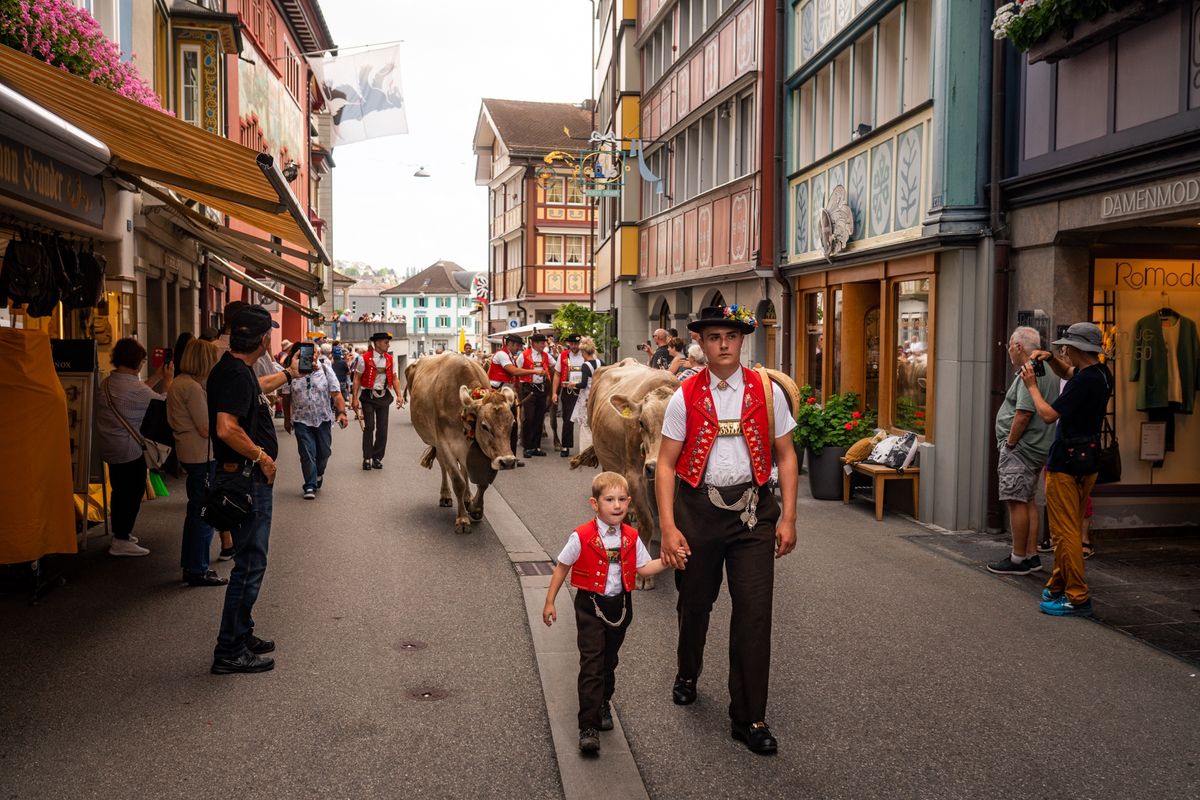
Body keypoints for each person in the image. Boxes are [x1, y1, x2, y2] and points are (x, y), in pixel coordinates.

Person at [655, 305, 798, 755]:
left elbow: (787, 456)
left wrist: (789, 517)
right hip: (698, 511)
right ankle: (687, 671)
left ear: (741, 341)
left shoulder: (767, 390)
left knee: (755, 613)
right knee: (695, 603)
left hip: (754, 514)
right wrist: (669, 526)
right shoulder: (684, 395)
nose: (722, 344)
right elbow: (664, 463)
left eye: (730, 337)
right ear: (700, 343)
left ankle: (749, 717)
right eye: (713, 337)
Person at [542, 472, 667, 754]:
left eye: (622, 499)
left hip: (620, 607)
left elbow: (643, 569)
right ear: (594, 504)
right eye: (609, 499)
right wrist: (550, 601)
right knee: (591, 663)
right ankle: (588, 725)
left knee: (609, 661)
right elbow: (562, 566)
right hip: (590, 606)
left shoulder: (632, 537)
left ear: (630, 503)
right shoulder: (581, 536)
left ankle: (602, 703)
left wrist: (667, 561)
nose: (617, 505)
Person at [208, 305, 298, 675]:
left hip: (245, 476)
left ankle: (241, 633)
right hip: (245, 478)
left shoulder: (238, 371)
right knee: (249, 565)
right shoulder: (233, 372)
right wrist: (262, 456)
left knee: (251, 562)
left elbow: (255, 390)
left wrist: (288, 376)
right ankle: (229, 649)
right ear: (263, 340)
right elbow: (226, 427)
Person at [1020, 322, 1113, 618]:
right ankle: (1059, 584)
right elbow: (1069, 373)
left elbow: (1048, 415)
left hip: (1066, 462)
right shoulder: (1099, 374)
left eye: (1066, 347)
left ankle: (1077, 596)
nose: (1064, 351)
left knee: (1064, 532)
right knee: (1070, 526)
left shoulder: (1084, 381)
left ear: (1077, 348)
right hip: (1088, 458)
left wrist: (1032, 386)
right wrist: (1051, 360)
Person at [987, 326, 1061, 576]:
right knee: (1028, 500)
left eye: (1009, 344)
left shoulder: (1029, 370)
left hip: (1023, 447)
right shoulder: (1047, 368)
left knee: (1016, 501)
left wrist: (1009, 444)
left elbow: (1024, 413)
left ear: (1018, 346)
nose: (1007, 349)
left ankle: (1018, 559)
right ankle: (1031, 556)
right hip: (1037, 446)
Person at [94, 337, 173, 557]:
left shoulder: (109, 382)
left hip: (111, 447)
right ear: (138, 362)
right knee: (131, 493)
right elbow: (163, 403)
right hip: (130, 449)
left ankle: (121, 534)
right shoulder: (134, 389)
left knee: (119, 491)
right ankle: (121, 539)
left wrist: (157, 375)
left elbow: (139, 391)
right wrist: (167, 380)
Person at [167, 338, 228, 586]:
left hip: (189, 453)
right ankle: (197, 568)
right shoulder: (191, 387)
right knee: (204, 513)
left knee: (196, 512)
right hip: (200, 455)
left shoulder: (180, 383)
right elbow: (205, 428)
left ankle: (193, 565)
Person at [281, 340, 348, 498]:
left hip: (323, 418)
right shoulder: (291, 371)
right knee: (307, 452)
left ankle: (319, 473)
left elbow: (336, 393)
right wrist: (286, 419)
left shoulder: (325, 368)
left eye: (314, 352)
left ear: (317, 353)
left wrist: (342, 412)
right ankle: (309, 485)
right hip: (301, 420)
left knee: (324, 452)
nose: (311, 356)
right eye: (306, 353)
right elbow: (286, 397)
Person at [351, 331, 404, 470]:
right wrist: (354, 398)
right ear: (378, 343)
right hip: (368, 396)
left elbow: (395, 378)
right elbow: (356, 378)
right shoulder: (364, 358)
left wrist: (399, 395)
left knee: (383, 429)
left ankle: (376, 457)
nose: (388, 344)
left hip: (383, 396)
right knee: (369, 426)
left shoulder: (390, 359)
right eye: (386, 342)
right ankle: (367, 457)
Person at [489, 333, 538, 464]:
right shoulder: (502, 354)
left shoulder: (510, 355)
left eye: (520, 346)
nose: (518, 348)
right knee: (500, 426)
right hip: (497, 395)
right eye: (517, 345)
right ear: (509, 344)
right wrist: (534, 371)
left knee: (513, 425)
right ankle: (495, 454)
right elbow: (514, 372)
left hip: (506, 394)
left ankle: (512, 457)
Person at [518, 333, 554, 458]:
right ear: (534, 343)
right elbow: (517, 371)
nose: (543, 345)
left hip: (541, 388)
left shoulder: (546, 355)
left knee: (539, 417)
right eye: (541, 343)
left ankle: (536, 446)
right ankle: (527, 447)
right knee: (529, 417)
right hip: (528, 388)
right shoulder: (523, 355)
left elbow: (554, 364)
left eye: (544, 343)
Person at [553, 333, 586, 458]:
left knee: (585, 420)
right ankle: (566, 446)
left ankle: (586, 447)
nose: (574, 346)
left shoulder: (585, 355)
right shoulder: (563, 355)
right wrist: (554, 393)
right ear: (568, 344)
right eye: (572, 344)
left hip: (582, 391)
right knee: (567, 419)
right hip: (567, 391)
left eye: (576, 344)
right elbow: (557, 374)